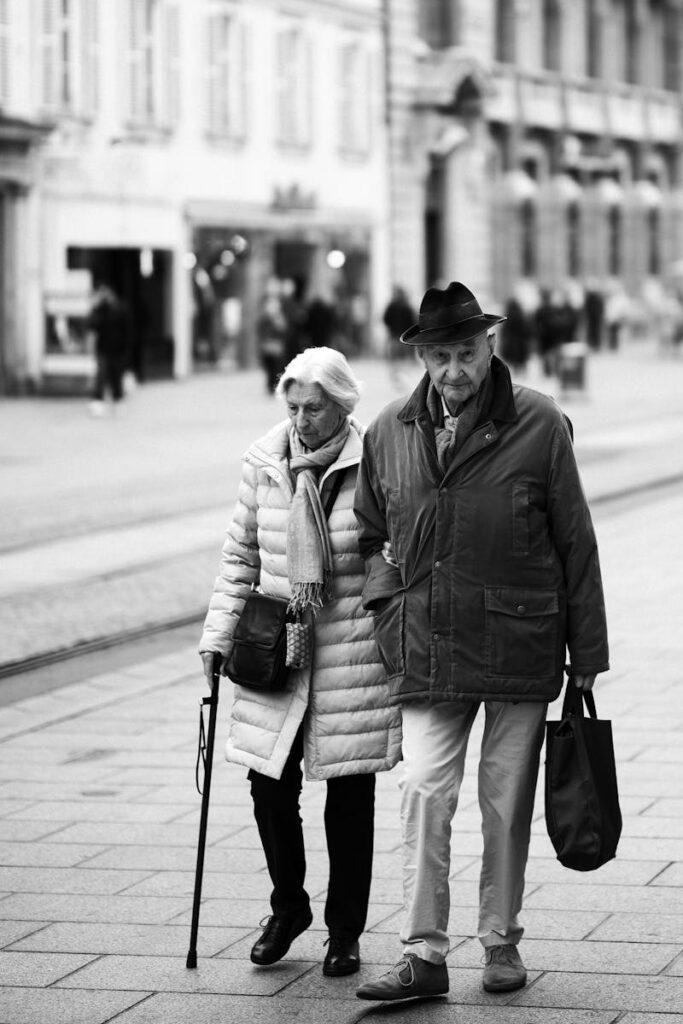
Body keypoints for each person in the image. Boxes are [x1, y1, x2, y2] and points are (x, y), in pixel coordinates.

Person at [353, 281, 609, 1002]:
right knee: (423, 790)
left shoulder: (537, 420)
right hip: (427, 641)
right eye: (438, 357)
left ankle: (499, 942)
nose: (452, 372)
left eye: (463, 353)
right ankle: (422, 955)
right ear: (421, 357)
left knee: (504, 798)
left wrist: (586, 655)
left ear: (489, 345)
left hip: (520, 638)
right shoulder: (388, 429)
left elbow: (575, 540)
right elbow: (370, 533)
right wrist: (384, 602)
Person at [199, 347, 401, 979]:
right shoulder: (265, 464)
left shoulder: (376, 463)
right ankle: (288, 907)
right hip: (275, 649)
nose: (302, 420)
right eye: (293, 407)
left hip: (349, 651)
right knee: (268, 784)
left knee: (348, 793)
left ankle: (345, 931)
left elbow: (394, 556)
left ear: (342, 405)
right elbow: (240, 558)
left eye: (314, 408)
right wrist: (216, 638)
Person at [87, 283, 131, 415]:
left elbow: (127, 330)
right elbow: (91, 326)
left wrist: (126, 348)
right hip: (104, 349)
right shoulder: (99, 310)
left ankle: (116, 400)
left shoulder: (120, 309)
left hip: (117, 349)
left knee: (115, 376)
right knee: (102, 376)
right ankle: (100, 401)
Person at [383, 286, 417, 390]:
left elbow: (385, 318)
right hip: (404, 336)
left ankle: (396, 378)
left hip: (394, 335)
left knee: (394, 359)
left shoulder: (391, 306)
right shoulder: (407, 306)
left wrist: (391, 328)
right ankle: (402, 378)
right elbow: (413, 321)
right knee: (403, 358)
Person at [256, 292, 287, 394]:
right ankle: (270, 384)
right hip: (267, 345)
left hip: (275, 345)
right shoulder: (264, 318)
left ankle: (273, 385)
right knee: (269, 366)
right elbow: (260, 331)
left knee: (275, 366)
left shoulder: (278, 318)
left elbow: (283, 331)